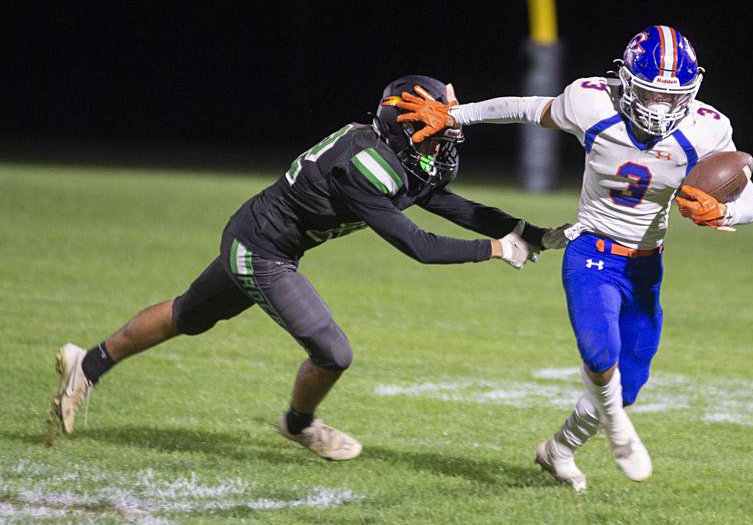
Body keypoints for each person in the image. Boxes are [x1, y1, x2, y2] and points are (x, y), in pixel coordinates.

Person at [50, 74, 567, 460]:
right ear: (401, 130)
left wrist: (524, 231)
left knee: (189, 314)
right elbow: (419, 245)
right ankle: (299, 425)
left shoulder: (397, 157)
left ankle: (86, 364)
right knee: (332, 352)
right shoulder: (362, 164)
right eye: (432, 135)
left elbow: (452, 205)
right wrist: (497, 251)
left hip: (266, 240)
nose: (441, 143)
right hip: (261, 249)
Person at [396, 26, 753, 489]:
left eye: (671, 98)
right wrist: (457, 116)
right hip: (592, 248)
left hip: (647, 263)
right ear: (627, 81)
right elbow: (525, 108)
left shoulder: (708, 127)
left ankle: (560, 449)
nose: (659, 108)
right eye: (650, 95)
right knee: (599, 351)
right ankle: (618, 430)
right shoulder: (592, 102)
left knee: (628, 383)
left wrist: (725, 208)